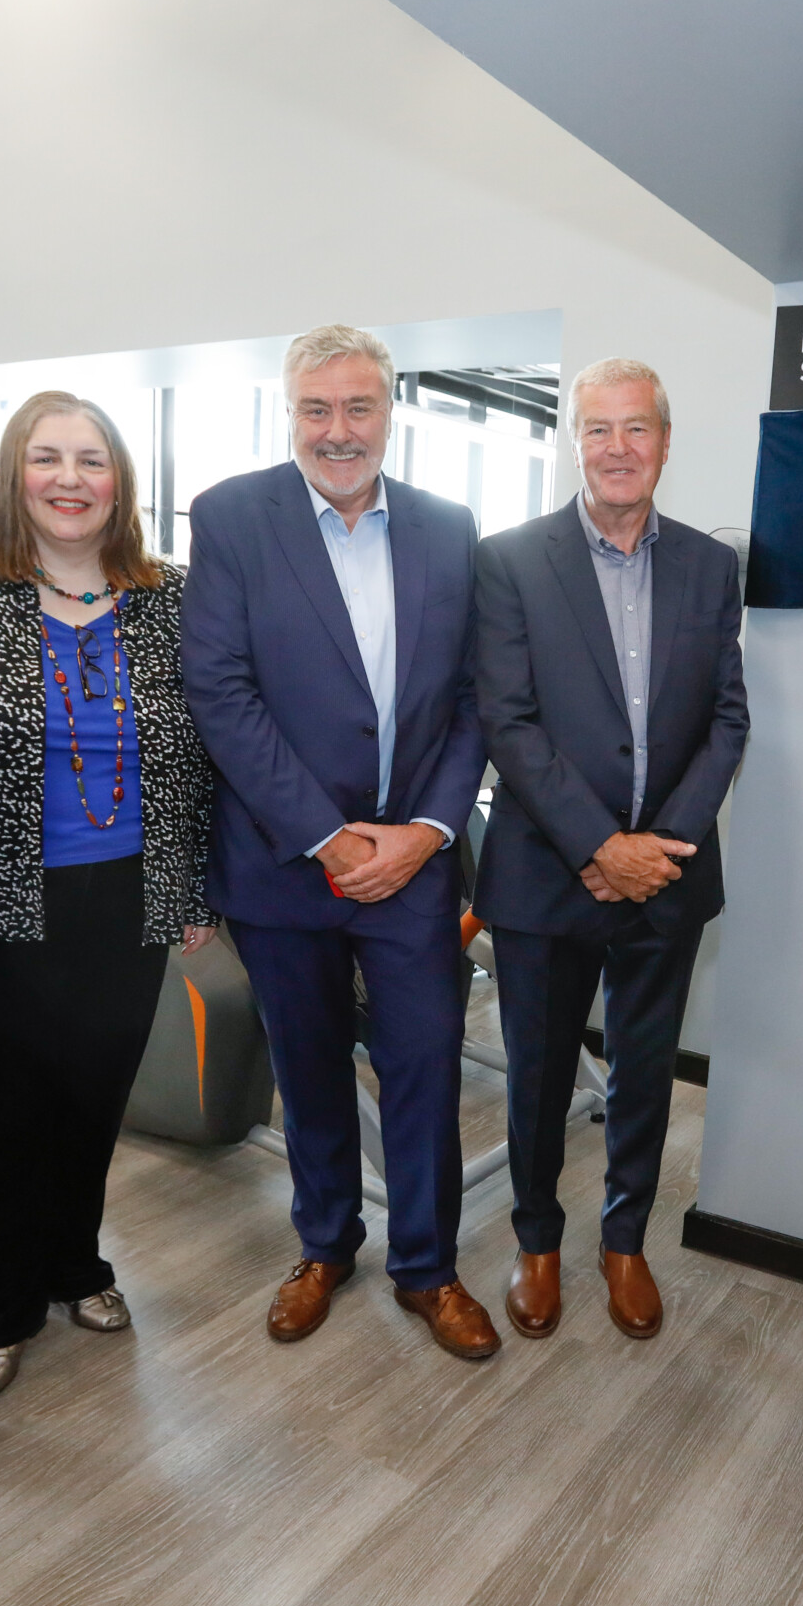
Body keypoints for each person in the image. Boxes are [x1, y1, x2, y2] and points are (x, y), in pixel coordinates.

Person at [181, 325, 497, 1360]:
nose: (338, 430)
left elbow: (469, 700)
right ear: (290, 413)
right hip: (283, 864)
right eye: (317, 409)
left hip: (412, 866)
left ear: (390, 412)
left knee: (422, 1069)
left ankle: (429, 1267)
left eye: (359, 407)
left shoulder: (451, 529)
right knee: (306, 1069)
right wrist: (324, 835)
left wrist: (422, 831)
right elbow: (219, 691)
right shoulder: (233, 515)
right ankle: (323, 1246)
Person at [0, 390, 217, 1407]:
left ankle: (75, 1265)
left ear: (120, 482)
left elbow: (207, 750)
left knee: (89, 1101)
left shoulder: (169, 595)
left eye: (91, 460)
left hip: (128, 892)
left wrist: (192, 881)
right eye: (45, 458)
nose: (68, 479)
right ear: (13, 474)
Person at [473, 358, 747, 1342]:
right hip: (546, 876)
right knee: (539, 1072)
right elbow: (506, 720)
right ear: (573, 442)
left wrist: (653, 850)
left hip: (664, 881)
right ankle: (537, 1241)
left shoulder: (711, 570)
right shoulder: (507, 560)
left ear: (664, 444)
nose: (618, 448)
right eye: (598, 429)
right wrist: (597, 844)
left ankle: (623, 1238)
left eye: (636, 429)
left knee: (643, 1065)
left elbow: (726, 719)